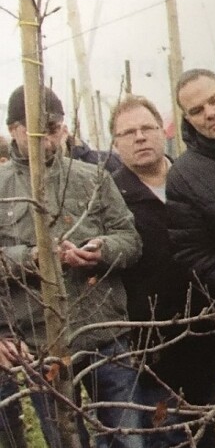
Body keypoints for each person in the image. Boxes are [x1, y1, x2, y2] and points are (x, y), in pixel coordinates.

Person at [0, 85, 144, 448]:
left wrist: (102, 250)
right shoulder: (2, 189)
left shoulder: (92, 177)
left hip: (104, 334)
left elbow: (130, 239)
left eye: (54, 127)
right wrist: (32, 258)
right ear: (14, 129)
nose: (48, 137)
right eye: (37, 129)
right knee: (65, 439)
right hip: (39, 342)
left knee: (128, 438)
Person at [111, 95, 215, 447]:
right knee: (164, 434)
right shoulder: (111, 196)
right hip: (150, 345)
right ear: (116, 145)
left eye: (147, 128)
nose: (140, 137)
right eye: (128, 132)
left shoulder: (192, 177)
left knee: (204, 428)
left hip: (204, 333)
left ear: (163, 132)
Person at [166, 69, 215, 421]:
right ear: (187, 119)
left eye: (214, 100)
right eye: (197, 110)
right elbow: (193, 254)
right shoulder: (185, 175)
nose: (210, 113)